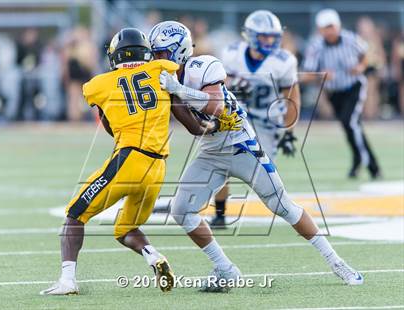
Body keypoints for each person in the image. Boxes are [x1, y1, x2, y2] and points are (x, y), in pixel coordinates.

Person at [149, 20, 364, 293]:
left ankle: (337, 262)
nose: (156, 60)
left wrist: (177, 90)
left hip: (242, 146)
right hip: (210, 150)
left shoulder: (202, 66)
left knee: (282, 205)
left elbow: (215, 105)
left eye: (161, 54)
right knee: (181, 211)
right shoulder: (163, 80)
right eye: (154, 54)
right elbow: (195, 128)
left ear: (178, 52)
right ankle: (226, 269)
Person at [40, 27, 238, 296]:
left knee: (75, 215)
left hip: (129, 159)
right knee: (125, 227)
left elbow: (108, 125)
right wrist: (214, 126)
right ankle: (153, 256)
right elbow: (193, 126)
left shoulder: (98, 85)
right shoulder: (162, 70)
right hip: (157, 169)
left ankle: (67, 280)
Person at [210, 10, 301, 228]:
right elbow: (217, 83)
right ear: (251, 35)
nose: (269, 41)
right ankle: (220, 215)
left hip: (265, 124)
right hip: (234, 118)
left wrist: (288, 131)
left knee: (265, 175)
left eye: (273, 36)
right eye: (264, 36)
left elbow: (292, 96)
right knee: (221, 165)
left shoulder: (284, 61)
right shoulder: (231, 54)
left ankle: (288, 211)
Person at [302, 9, 381, 179]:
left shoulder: (351, 39)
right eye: (325, 27)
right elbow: (307, 74)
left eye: (331, 26)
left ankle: (370, 165)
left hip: (354, 86)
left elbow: (367, 54)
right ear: (320, 29)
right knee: (350, 127)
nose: (329, 31)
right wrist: (321, 75)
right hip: (334, 92)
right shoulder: (315, 46)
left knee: (349, 122)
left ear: (337, 26)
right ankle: (358, 161)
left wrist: (361, 67)